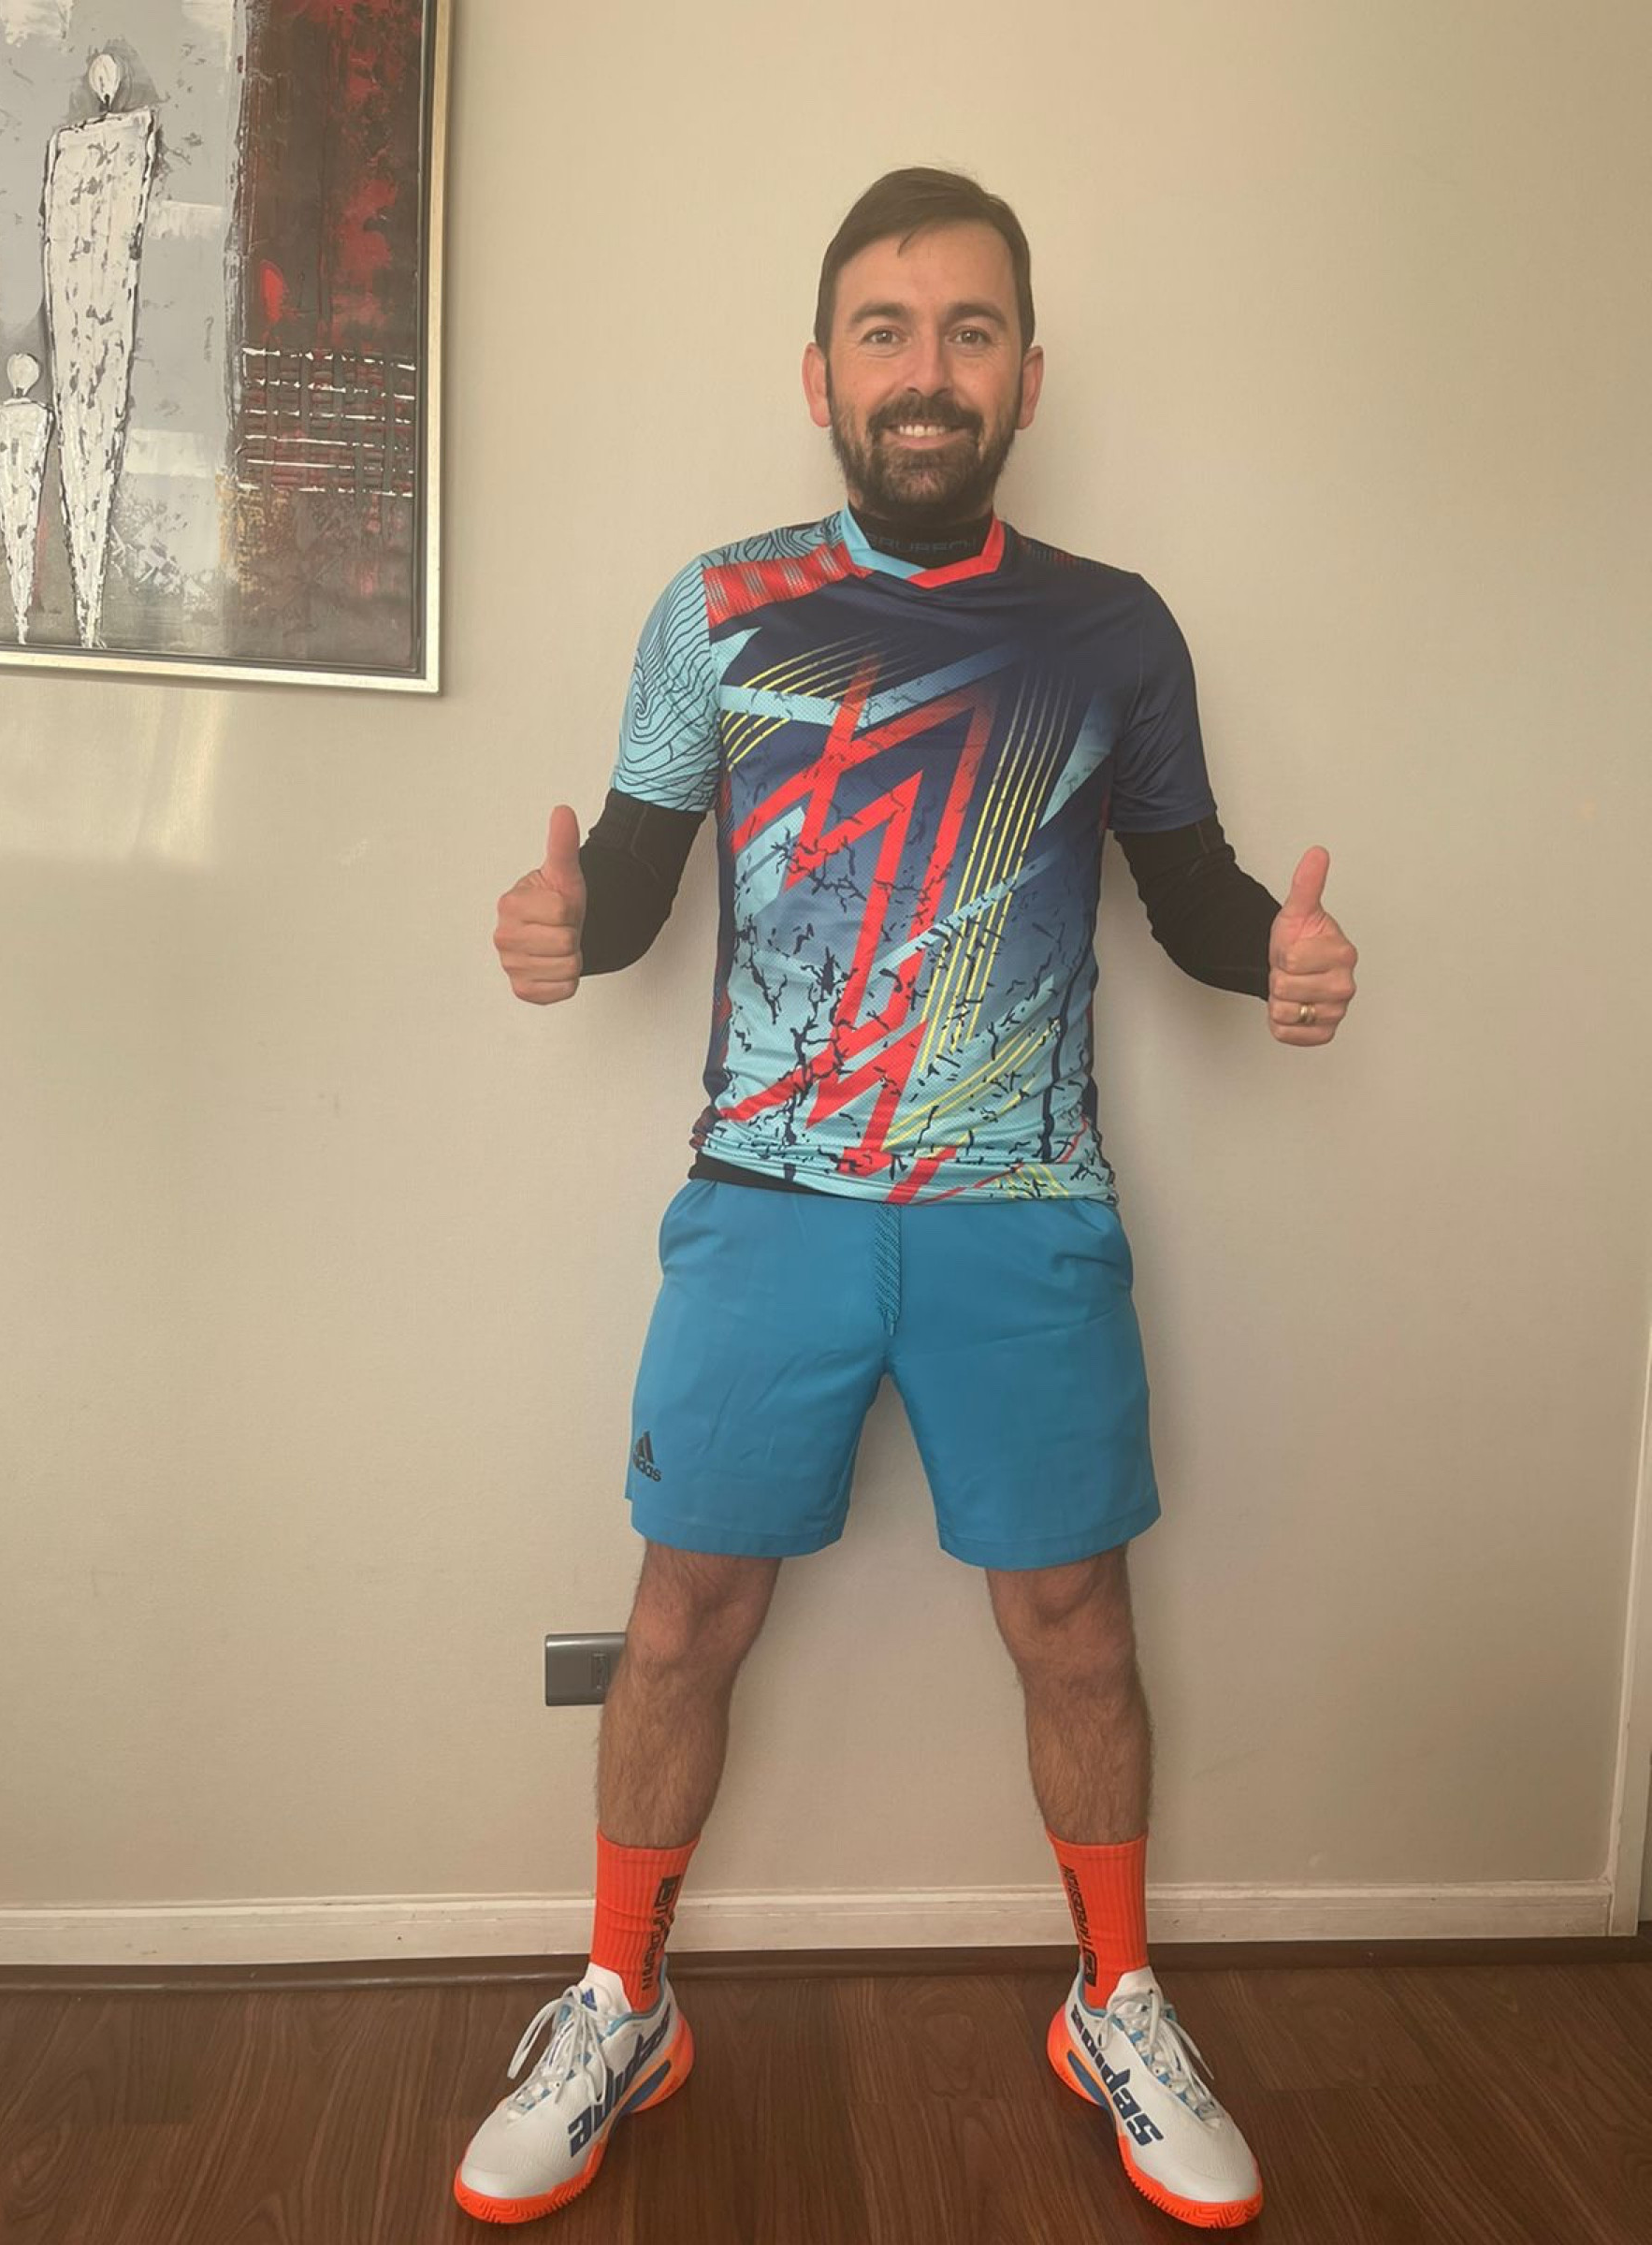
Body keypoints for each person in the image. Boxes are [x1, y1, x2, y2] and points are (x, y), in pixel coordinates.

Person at [458, 167, 1358, 2231]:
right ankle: (623, 2002)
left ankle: (1113, 2002)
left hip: (1021, 1208)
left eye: (969, 330)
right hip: (763, 1204)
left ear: (1029, 375)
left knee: (1076, 1627)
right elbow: (631, 883)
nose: (926, 371)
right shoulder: (715, 609)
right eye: (886, 330)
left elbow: (1192, 892)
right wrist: (565, 925)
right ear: (821, 375)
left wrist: (1277, 959)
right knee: (683, 1616)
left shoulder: (1115, 629)